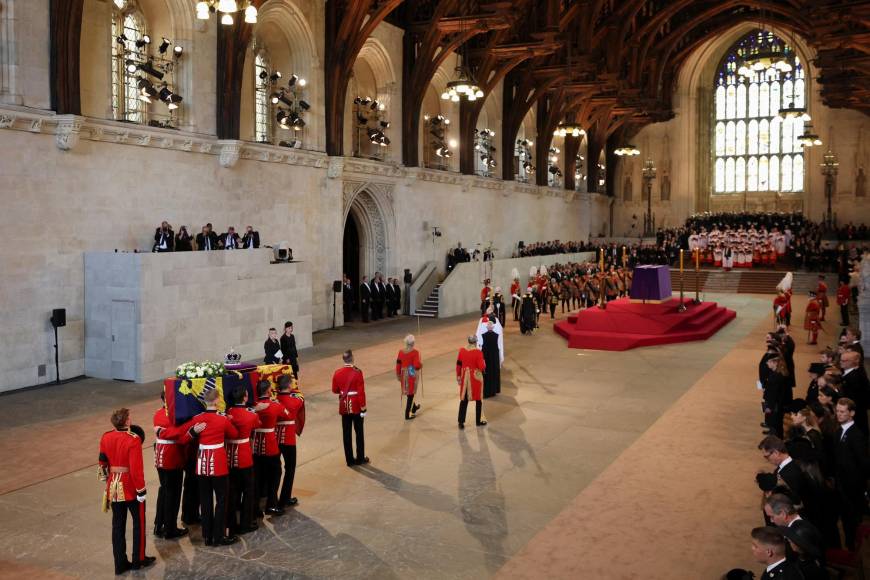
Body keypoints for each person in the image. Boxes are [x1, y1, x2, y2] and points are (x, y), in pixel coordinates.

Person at [99, 408, 157, 574]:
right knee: (138, 524)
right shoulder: (133, 439)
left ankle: (120, 563)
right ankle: (138, 560)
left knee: (118, 526)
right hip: (130, 487)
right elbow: (136, 469)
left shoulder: (106, 436)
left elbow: (102, 462)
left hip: (114, 487)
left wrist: (108, 481)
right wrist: (141, 490)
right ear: (126, 421)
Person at [187, 388, 239, 546]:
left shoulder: (197, 418)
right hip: (218, 464)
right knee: (222, 500)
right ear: (216, 400)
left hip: (202, 464)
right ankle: (219, 535)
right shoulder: (222, 419)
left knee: (205, 499)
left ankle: (207, 536)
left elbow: (187, 436)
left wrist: (194, 431)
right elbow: (234, 434)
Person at [152, 394, 201, 540]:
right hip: (172, 458)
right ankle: (170, 528)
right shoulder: (175, 416)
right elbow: (179, 433)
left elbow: (171, 432)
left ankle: (159, 524)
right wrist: (190, 427)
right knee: (172, 494)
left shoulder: (158, 413)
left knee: (164, 492)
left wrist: (162, 432)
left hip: (161, 457)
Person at [833, 397, 869, 550]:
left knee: (851, 519)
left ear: (852, 413)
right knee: (845, 517)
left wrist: (859, 488)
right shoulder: (839, 430)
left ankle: (852, 548)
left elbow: (864, 464)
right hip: (841, 484)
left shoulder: (856, 436)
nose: (838, 414)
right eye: (837, 411)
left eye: (842, 412)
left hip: (852, 487)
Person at [226, 385, 261, 535]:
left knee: (232, 491)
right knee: (248, 490)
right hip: (244, 456)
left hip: (229, 456)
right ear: (245, 398)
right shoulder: (251, 415)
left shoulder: (228, 413)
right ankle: (246, 523)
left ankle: (231, 524)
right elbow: (257, 425)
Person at [253, 379, 289, 517]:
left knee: (258, 475)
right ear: (269, 390)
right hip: (270, 444)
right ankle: (271, 504)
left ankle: (256, 507)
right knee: (276, 474)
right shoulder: (274, 405)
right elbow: (288, 415)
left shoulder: (254, 406)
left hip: (256, 445)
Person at [332, 350, 369, 466]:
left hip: (344, 406)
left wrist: (343, 392)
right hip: (357, 406)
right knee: (359, 433)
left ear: (343, 359)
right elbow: (361, 392)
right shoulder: (357, 372)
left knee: (346, 434)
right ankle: (360, 458)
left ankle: (349, 460)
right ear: (352, 358)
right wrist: (363, 407)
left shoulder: (337, 372)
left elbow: (334, 390)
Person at [276, 374, 304, 508]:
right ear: (288, 386)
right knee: (290, 468)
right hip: (287, 438)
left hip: (274, 437)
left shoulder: (275, 399)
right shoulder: (294, 401)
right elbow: (300, 399)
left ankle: (273, 499)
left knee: (275, 470)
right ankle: (284, 499)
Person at [456, 335, 487, 428]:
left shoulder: (462, 350)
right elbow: (482, 367)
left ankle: (461, 422)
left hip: (465, 378)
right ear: (475, 342)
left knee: (464, 400)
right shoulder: (478, 352)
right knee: (478, 400)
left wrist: (458, 375)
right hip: (475, 379)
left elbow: (458, 364)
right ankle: (478, 421)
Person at [839, 349, 870, 436]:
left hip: (855, 413)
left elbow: (850, 397)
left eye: (844, 361)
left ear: (853, 362)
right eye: (841, 360)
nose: (841, 362)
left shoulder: (853, 377)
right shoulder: (853, 372)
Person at [396, 335, 422, 420]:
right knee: (411, 393)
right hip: (411, 372)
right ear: (413, 343)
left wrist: (398, 375)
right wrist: (420, 365)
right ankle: (407, 414)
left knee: (409, 393)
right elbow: (416, 366)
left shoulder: (400, 352)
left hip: (403, 374)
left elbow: (398, 364)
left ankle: (414, 407)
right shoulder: (415, 352)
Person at [478, 321, 503, 398]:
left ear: (487, 327)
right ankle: (493, 390)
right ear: (493, 327)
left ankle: (486, 391)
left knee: (486, 375)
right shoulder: (497, 336)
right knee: (493, 374)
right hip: (494, 359)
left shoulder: (483, 336)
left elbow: (482, 349)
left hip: (486, 359)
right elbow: (498, 348)